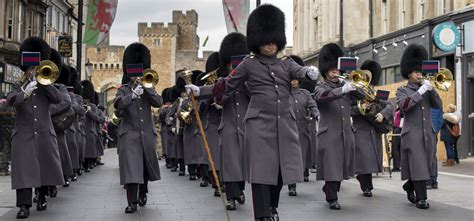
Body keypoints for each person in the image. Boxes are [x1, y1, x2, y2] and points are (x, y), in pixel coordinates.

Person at [185, 4, 320, 220]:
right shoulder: (249, 65)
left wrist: (311, 72)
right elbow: (226, 85)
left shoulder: (286, 65)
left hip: (284, 125)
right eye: (266, 41)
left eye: (274, 40)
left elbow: (300, 71)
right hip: (259, 126)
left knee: (278, 172)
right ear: (258, 41)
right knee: (261, 173)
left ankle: (272, 207)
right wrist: (199, 90)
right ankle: (262, 215)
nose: (270, 44)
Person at [7, 37, 64, 219]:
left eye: (35, 68)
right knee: (24, 170)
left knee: (43, 168)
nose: (33, 71)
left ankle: (41, 196)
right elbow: (11, 100)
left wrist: (43, 84)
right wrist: (26, 91)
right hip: (23, 134)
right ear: (26, 68)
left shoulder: (46, 84)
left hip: (43, 133)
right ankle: (23, 205)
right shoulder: (18, 85)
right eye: (31, 68)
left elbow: (58, 99)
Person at [313, 43, 364, 210]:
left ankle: (330, 188)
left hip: (345, 133)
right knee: (332, 166)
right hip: (329, 133)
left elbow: (364, 96)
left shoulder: (346, 84)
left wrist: (354, 84)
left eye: (337, 70)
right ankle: (332, 197)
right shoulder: (321, 86)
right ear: (326, 71)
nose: (335, 73)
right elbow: (322, 97)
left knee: (340, 166)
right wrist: (342, 90)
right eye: (332, 70)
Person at [114, 43, 163, 213]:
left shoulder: (148, 86)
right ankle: (131, 202)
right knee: (131, 169)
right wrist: (132, 96)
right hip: (129, 135)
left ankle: (143, 191)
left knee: (144, 167)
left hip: (146, 134)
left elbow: (158, 102)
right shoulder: (123, 90)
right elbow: (117, 105)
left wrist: (146, 88)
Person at [396, 44, 442, 209]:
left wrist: (432, 90)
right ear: (409, 73)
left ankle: (410, 185)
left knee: (426, 164)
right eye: (416, 72)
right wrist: (420, 92)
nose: (419, 74)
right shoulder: (403, 90)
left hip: (427, 132)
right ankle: (422, 198)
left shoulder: (427, 89)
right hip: (412, 133)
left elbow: (438, 105)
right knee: (418, 164)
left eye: (420, 72)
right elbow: (404, 106)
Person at [213, 33, 250, 210]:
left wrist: (243, 81)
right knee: (230, 163)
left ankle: (239, 191)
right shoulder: (222, 81)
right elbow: (219, 99)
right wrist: (230, 83)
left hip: (246, 126)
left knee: (242, 163)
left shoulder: (249, 80)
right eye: (230, 65)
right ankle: (231, 197)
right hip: (228, 127)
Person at [353, 60, 395, 197]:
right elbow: (348, 109)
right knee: (365, 159)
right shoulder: (356, 92)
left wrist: (383, 114)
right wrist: (361, 109)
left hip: (374, 131)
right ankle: (367, 187)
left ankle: (364, 181)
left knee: (371, 160)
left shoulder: (378, 93)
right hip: (361, 130)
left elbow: (390, 105)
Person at [287, 55, 319, 197]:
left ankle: (303, 173)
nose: (293, 81)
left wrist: (317, 115)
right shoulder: (284, 93)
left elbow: (312, 105)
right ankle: (291, 185)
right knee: (291, 159)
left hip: (302, 129)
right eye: (291, 79)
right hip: (288, 130)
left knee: (302, 156)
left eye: (295, 79)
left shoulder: (305, 93)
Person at [0, 97, 14, 176]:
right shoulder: (14, 107)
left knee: (6, 149)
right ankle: (16, 168)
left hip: (4, 130)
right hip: (13, 130)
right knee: (16, 150)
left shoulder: (2, 107)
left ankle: (3, 169)